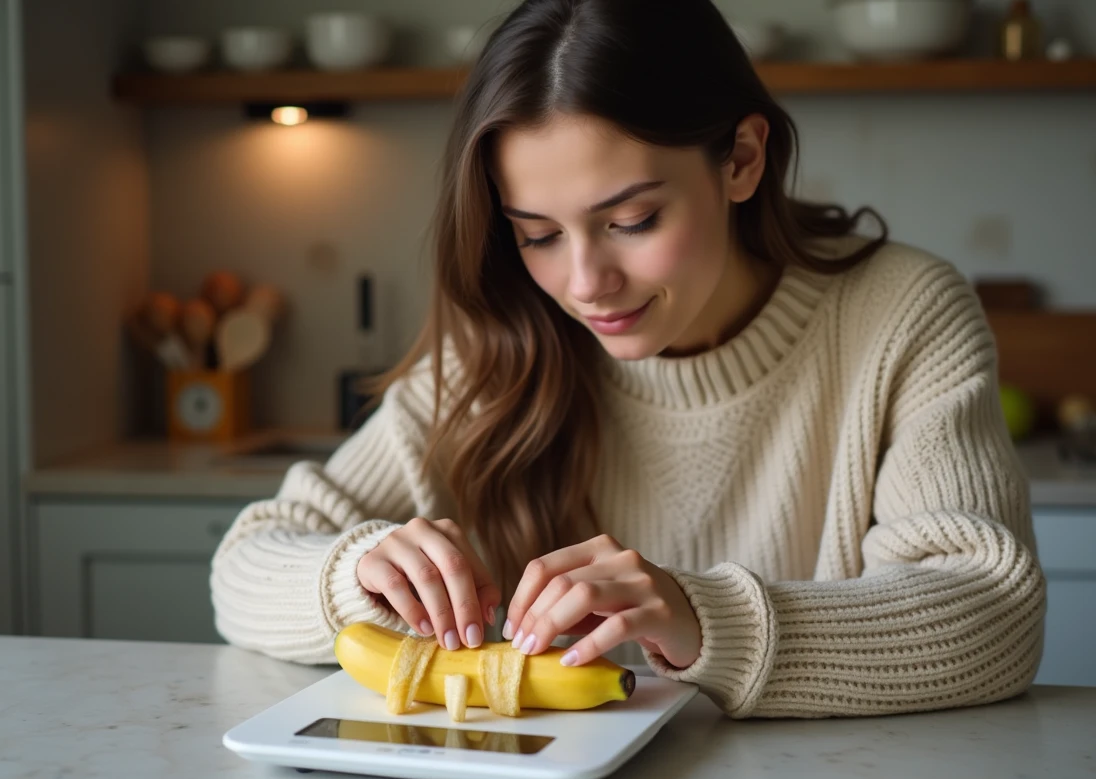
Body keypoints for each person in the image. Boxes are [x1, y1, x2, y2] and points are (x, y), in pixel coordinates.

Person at [211, 0, 1045, 719]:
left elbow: (994, 617)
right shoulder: (505, 341)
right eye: (537, 235)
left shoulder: (902, 313)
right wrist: (356, 570)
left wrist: (703, 616)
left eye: (633, 220)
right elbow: (244, 565)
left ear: (742, 160)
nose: (585, 284)